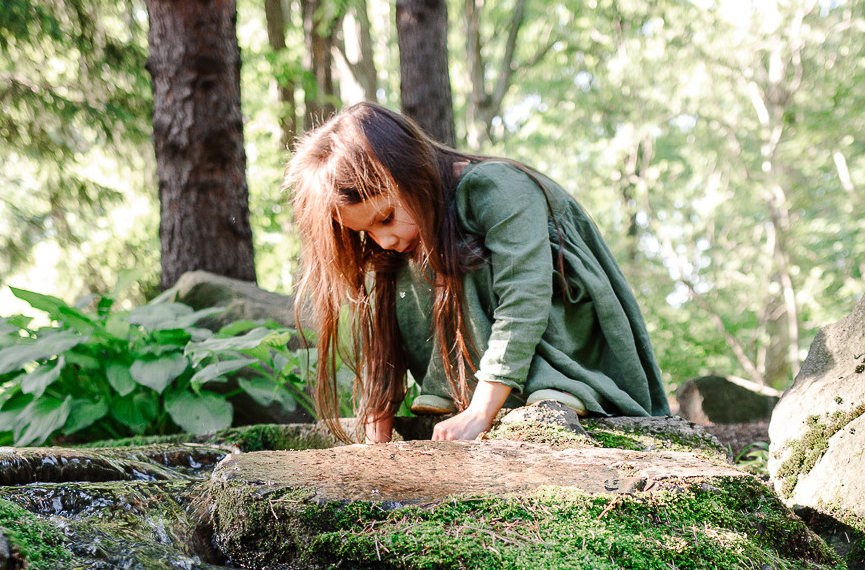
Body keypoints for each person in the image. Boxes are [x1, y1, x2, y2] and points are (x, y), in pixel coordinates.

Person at [285, 101, 671, 442]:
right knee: (393, 261)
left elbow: (525, 296)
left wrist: (481, 413)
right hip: (485, 369)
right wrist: (378, 415)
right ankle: (457, 389)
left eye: (385, 217)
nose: (382, 238)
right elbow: (382, 317)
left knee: (451, 249)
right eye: (366, 230)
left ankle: (543, 387)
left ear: (413, 175)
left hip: (569, 349)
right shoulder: (395, 243)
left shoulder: (498, 187)